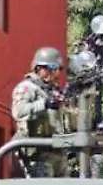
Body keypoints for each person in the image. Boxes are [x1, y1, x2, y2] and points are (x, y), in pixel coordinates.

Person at [11, 47, 65, 177]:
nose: (54, 73)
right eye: (50, 67)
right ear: (38, 68)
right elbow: (18, 112)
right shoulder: (27, 88)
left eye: (57, 69)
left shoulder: (54, 91)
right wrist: (44, 104)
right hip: (36, 154)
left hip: (57, 153)